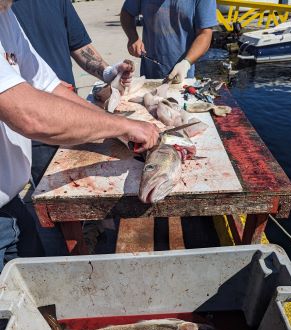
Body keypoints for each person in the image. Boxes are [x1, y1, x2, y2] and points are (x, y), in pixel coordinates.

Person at [0, 0, 159, 270]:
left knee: (37, 293)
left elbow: (50, 87)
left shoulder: (6, 15)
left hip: (10, 205)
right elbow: (29, 113)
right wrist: (121, 127)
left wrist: (113, 123)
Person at [12, 0, 134, 184]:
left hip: (72, 116)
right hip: (33, 131)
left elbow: (79, 45)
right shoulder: (5, 8)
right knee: (55, 194)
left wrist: (108, 72)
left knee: (89, 185)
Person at [120, 0, 217, 82]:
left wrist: (186, 63)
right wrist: (133, 38)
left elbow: (205, 34)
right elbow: (127, 12)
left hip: (182, 75)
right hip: (149, 74)